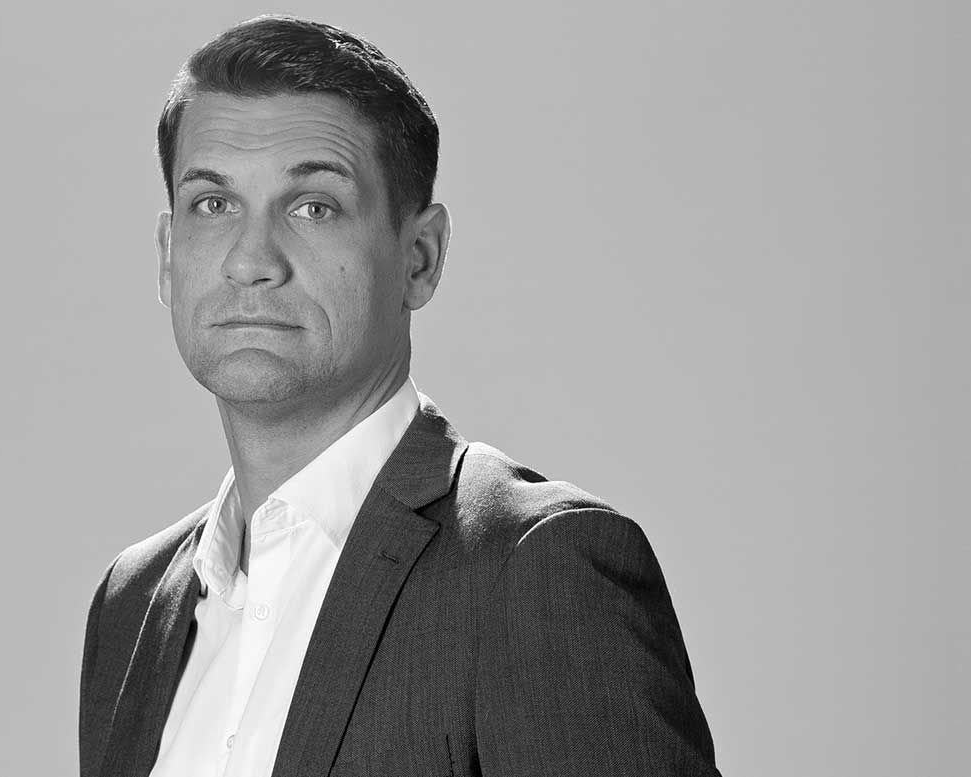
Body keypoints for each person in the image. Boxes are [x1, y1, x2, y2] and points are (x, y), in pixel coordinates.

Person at [79, 14, 718, 777]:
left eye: (313, 206)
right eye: (213, 204)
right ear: (166, 255)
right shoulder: (132, 605)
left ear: (420, 257)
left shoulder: (537, 568)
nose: (251, 260)